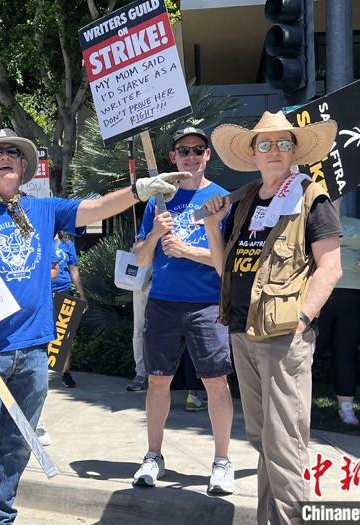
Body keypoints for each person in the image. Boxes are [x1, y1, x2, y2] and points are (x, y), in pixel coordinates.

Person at [0, 128, 189, 525]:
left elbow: (95, 208)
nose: (5, 156)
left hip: (33, 350)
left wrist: (139, 190)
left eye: (13, 151)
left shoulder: (45, 210)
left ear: (24, 166)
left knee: (15, 445)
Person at [202, 111, 342, 525]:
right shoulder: (244, 200)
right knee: (263, 440)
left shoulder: (309, 197)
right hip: (243, 331)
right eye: (265, 144)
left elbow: (330, 268)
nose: (275, 151)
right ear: (253, 154)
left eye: (283, 143)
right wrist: (212, 227)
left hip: (283, 336)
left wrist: (301, 320)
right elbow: (222, 266)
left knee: (284, 445)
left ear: (295, 150)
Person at [131, 125, 236, 494]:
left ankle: (222, 462)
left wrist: (188, 251)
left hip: (207, 304)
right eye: (183, 150)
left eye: (198, 149)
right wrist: (157, 235)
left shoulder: (223, 199)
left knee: (216, 384)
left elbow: (228, 264)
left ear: (208, 155)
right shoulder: (158, 199)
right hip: (163, 303)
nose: (191, 156)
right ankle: (153, 456)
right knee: (158, 380)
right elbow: (140, 257)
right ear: (172, 157)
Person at [317, 197, 360, 426]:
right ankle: (294, 405)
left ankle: (346, 407)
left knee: (345, 350)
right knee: (308, 351)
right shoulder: (311, 224)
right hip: (319, 294)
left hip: (355, 293)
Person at [50, 231, 87, 388]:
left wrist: (82, 295)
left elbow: (74, 270)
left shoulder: (67, 244)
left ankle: (65, 372)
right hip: (43, 292)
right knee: (43, 333)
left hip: (64, 289)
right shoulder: (40, 238)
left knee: (65, 334)